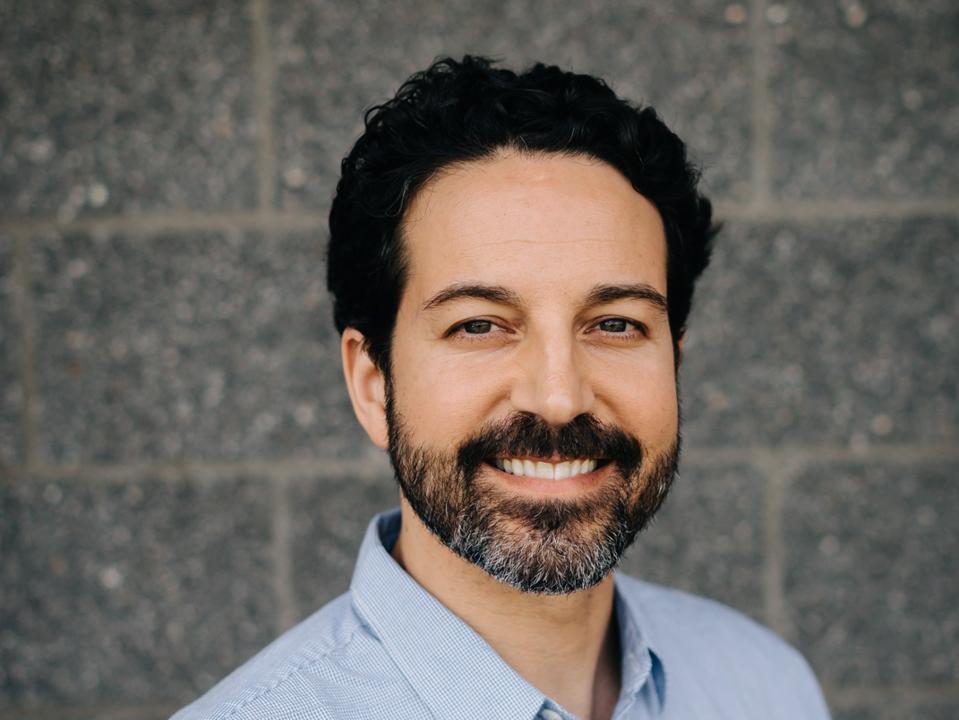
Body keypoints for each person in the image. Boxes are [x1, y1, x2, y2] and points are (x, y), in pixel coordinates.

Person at [172, 55, 831, 720]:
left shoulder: (767, 686)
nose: (558, 396)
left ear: (673, 367)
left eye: (614, 324)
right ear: (373, 386)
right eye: (479, 325)